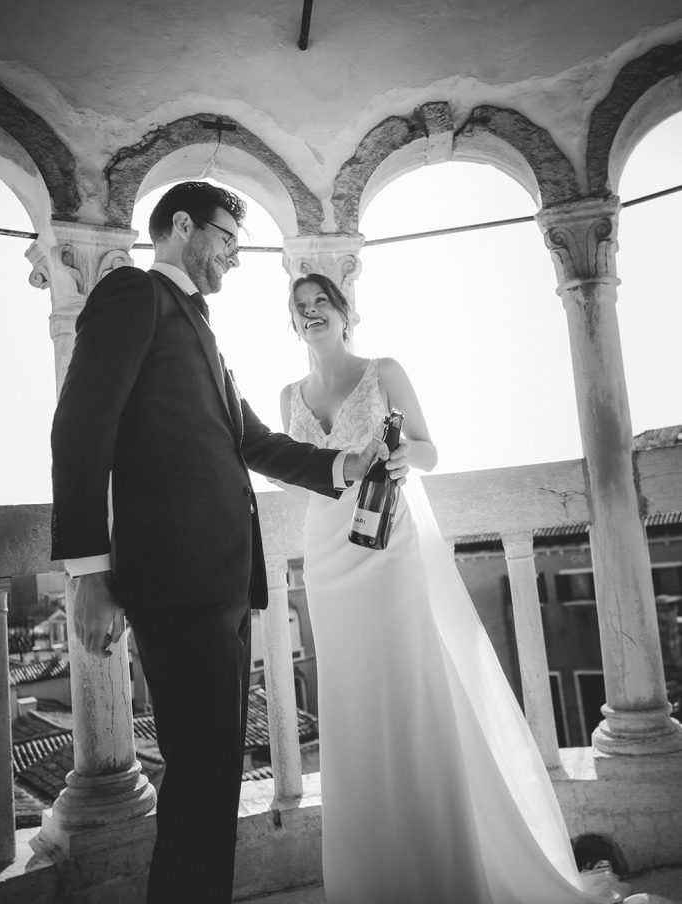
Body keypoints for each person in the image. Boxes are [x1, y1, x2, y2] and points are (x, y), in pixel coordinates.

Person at [50, 182, 408, 904]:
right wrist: (89, 572)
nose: (234, 259)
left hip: (219, 583)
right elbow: (79, 427)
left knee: (210, 774)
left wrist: (346, 465)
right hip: (174, 582)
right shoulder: (132, 295)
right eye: (226, 241)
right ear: (182, 225)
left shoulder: (201, 330)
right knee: (200, 775)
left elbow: (249, 441)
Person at [280, 272, 631, 904]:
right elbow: (300, 473)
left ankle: (442, 859)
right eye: (301, 308)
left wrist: (400, 458)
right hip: (327, 557)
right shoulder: (289, 396)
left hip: (389, 546)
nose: (312, 314)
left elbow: (431, 450)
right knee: (353, 700)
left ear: (344, 311)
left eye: (322, 303)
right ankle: (376, 870)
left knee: (409, 685)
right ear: (293, 320)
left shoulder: (382, 370)